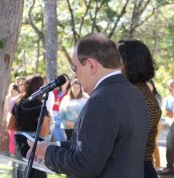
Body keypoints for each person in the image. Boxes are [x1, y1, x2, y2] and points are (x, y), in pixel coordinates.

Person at [27, 33, 149, 178]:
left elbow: (84, 166)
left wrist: (47, 152)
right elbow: (101, 146)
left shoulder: (101, 100)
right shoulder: (135, 95)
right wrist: (54, 146)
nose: (75, 76)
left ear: (91, 65)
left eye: (75, 68)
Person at [117, 39, 161, 178]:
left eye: (117, 59)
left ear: (128, 63)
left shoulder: (141, 97)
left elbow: (124, 141)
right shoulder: (127, 91)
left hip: (137, 170)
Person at [7, 74, 50, 178]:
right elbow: (44, 132)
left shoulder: (18, 103)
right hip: (34, 147)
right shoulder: (40, 106)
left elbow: (10, 126)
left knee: (20, 173)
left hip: (20, 144)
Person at [158, 79, 174, 175]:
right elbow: (168, 113)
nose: (170, 88)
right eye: (169, 86)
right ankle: (169, 167)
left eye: (172, 85)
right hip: (171, 124)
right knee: (170, 143)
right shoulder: (167, 99)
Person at [147, 79, 162, 169]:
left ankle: (158, 164)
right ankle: (152, 164)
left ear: (153, 86)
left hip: (156, 122)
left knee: (154, 143)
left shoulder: (157, 97)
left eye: (149, 86)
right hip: (147, 122)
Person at [51, 74, 70, 141]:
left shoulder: (69, 94)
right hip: (54, 120)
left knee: (64, 140)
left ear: (68, 81)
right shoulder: (54, 92)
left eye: (66, 80)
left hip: (63, 119)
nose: (64, 82)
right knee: (57, 141)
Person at [2, 83, 20, 153]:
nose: (13, 93)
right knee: (12, 139)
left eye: (14, 92)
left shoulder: (20, 98)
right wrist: (5, 120)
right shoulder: (8, 98)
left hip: (19, 122)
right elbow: (6, 110)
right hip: (11, 120)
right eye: (11, 92)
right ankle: (12, 154)